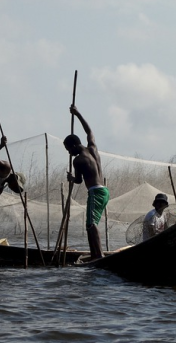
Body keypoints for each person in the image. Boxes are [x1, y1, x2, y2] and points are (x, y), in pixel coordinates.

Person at [64, 105, 110, 260]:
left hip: (95, 192)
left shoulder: (78, 160)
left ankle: (99, 256)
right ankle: (95, 253)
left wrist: (71, 178)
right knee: (90, 223)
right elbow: (89, 131)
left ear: (74, 146)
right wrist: (78, 114)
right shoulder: (93, 148)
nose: (69, 153)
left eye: (68, 149)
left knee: (91, 224)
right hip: (104, 191)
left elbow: (78, 181)